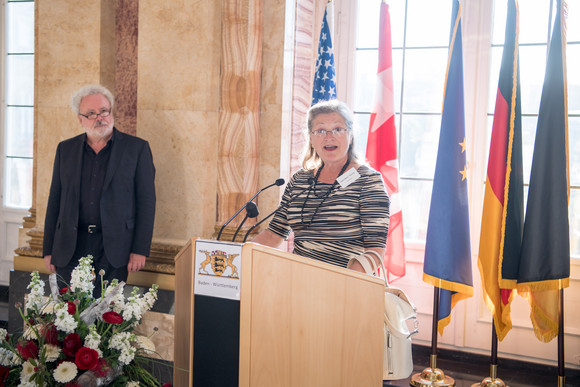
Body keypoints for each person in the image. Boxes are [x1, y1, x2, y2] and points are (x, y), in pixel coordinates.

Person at [252, 99, 389, 274]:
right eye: (321, 130)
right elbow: (273, 235)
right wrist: (237, 257)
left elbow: (375, 251)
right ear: (311, 138)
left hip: (347, 288)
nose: (329, 137)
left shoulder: (368, 181)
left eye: (338, 129)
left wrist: (344, 282)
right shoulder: (300, 180)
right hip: (298, 284)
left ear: (350, 134)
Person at [43, 84, 156, 291]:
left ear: (111, 112)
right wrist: (48, 249)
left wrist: (140, 249)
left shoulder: (137, 149)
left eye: (104, 111)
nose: (100, 117)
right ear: (80, 119)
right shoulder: (65, 150)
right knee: (70, 314)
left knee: (107, 315)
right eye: (92, 113)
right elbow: (55, 200)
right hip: (70, 246)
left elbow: (147, 202)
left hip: (115, 247)